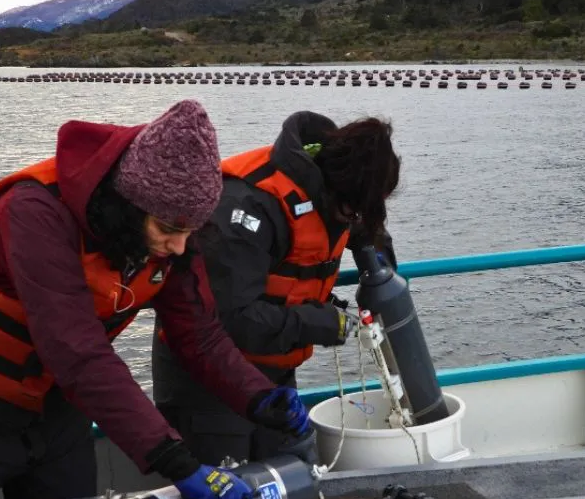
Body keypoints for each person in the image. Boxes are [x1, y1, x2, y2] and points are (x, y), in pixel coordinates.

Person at [0, 100, 312, 499]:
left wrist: (260, 397)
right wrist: (176, 461)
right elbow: (77, 352)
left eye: (191, 231)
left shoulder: (170, 229)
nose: (181, 247)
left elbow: (199, 335)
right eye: (169, 230)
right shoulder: (33, 212)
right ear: (129, 203)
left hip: (55, 411)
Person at [152, 111, 401, 467]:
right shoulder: (249, 205)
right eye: (354, 211)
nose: (355, 219)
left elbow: (363, 225)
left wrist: (379, 263)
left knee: (287, 488)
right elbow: (226, 321)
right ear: (334, 190)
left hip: (274, 372)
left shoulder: (338, 192)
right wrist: (319, 323)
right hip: (208, 384)